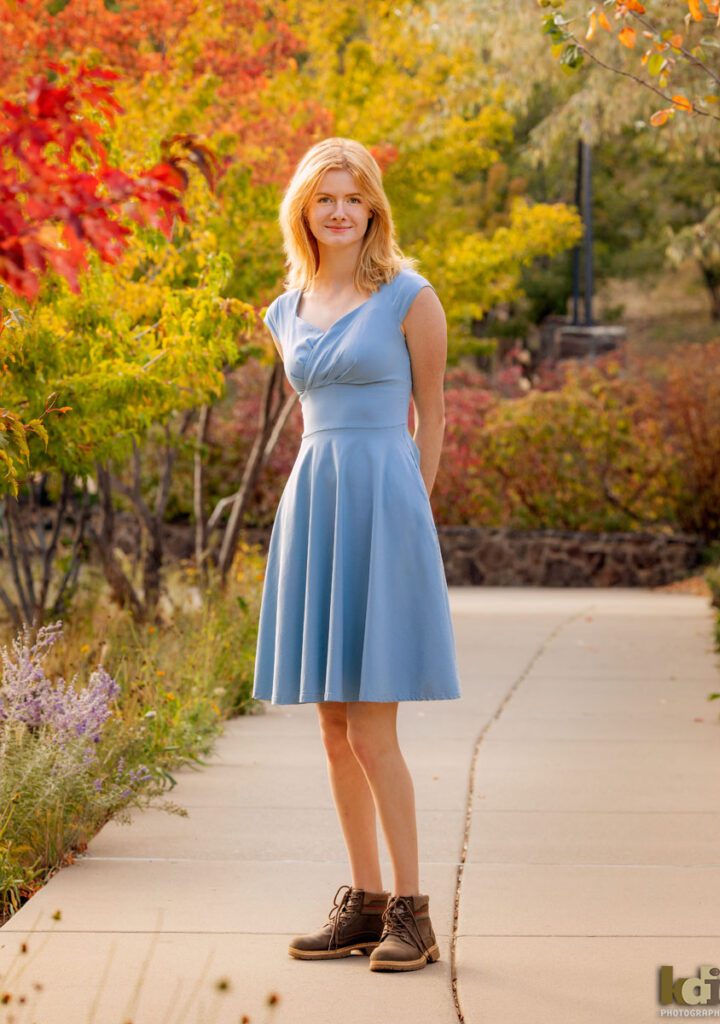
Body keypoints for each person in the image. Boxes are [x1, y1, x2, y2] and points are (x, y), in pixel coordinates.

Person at [252, 136, 461, 974]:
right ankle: (364, 903)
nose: (338, 210)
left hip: (385, 505)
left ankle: (414, 913)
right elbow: (313, 417)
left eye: (352, 196)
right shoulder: (282, 310)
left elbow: (434, 411)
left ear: (373, 207)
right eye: (323, 197)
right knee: (333, 729)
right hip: (314, 504)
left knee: (373, 728)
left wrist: (416, 509)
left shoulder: (409, 296)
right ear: (303, 209)